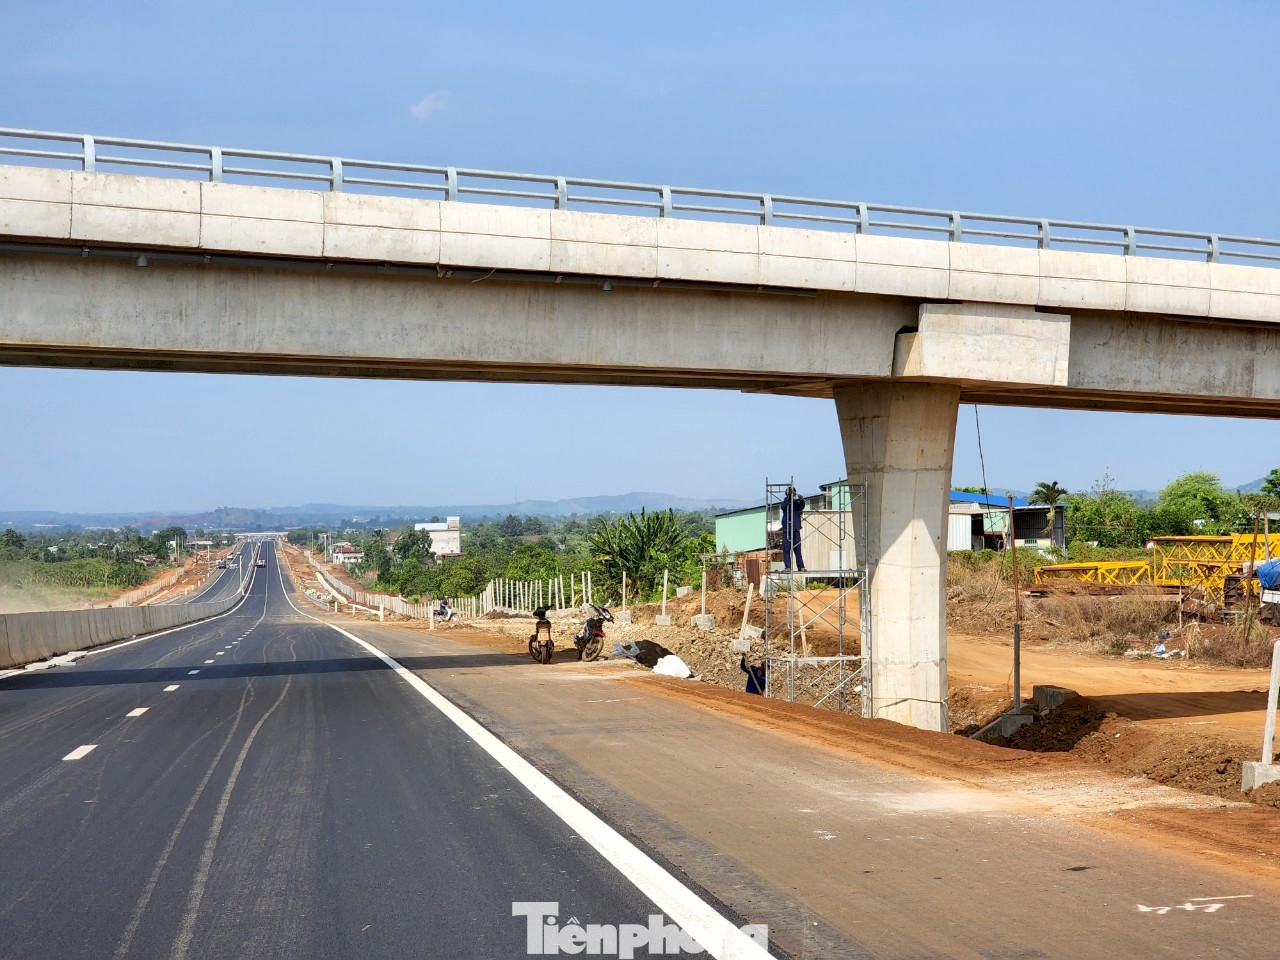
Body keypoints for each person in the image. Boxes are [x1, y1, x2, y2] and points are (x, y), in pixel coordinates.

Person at [780, 485, 806, 572]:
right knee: (786, 550)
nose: (792, 494)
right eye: (791, 492)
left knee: (798, 550)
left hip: (795, 530)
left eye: (793, 492)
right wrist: (788, 497)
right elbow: (784, 506)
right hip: (787, 530)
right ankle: (788, 567)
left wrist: (802, 500)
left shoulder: (796, 503)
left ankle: (801, 567)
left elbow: (801, 507)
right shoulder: (784, 502)